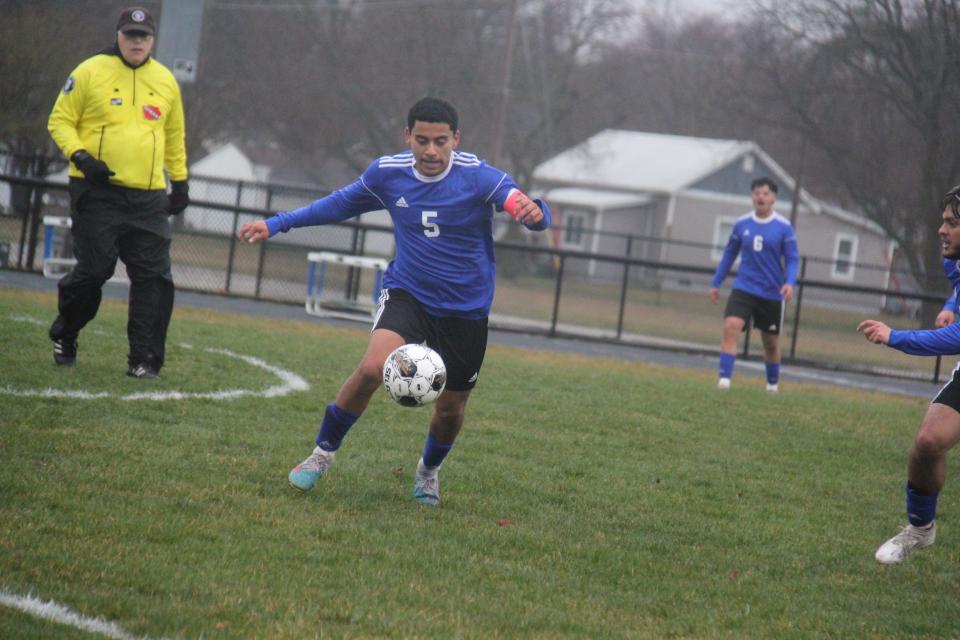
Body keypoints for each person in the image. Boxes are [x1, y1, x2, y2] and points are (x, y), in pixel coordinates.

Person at [238, 97, 551, 506]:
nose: (432, 151)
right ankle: (321, 455)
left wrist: (532, 212)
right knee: (371, 367)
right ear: (408, 136)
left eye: (441, 141)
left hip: (465, 307)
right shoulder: (387, 174)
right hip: (410, 292)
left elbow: (519, 204)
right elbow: (337, 205)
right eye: (422, 140)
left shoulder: (478, 176)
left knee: (451, 408)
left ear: (456, 139)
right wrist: (276, 223)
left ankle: (427, 473)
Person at [47, 6, 189, 379]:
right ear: (119, 36)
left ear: (153, 39)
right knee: (94, 270)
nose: (136, 42)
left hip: (148, 197)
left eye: (143, 37)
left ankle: (144, 360)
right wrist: (80, 156)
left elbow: (174, 137)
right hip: (98, 192)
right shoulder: (90, 71)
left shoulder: (165, 81)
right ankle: (67, 332)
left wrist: (181, 181)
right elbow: (59, 120)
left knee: (154, 279)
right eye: (130, 36)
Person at [858, 184, 960, 564]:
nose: (941, 230)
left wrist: (894, 336)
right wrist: (952, 304)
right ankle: (919, 530)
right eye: (943, 221)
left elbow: (956, 338)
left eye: (951, 223)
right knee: (928, 442)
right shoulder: (954, 260)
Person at [709, 177, 799, 392]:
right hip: (744, 287)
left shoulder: (784, 227)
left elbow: (793, 259)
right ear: (752, 196)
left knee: (770, 343)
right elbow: (730, 253)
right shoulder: (742, 224)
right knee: (731, 326)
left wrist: (790, 283)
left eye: (765, 193)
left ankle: (772, 384)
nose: (761, 197)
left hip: (771, 292)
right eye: (757, 193)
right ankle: (724, 381)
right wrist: (716, 282)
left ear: (774, 198)